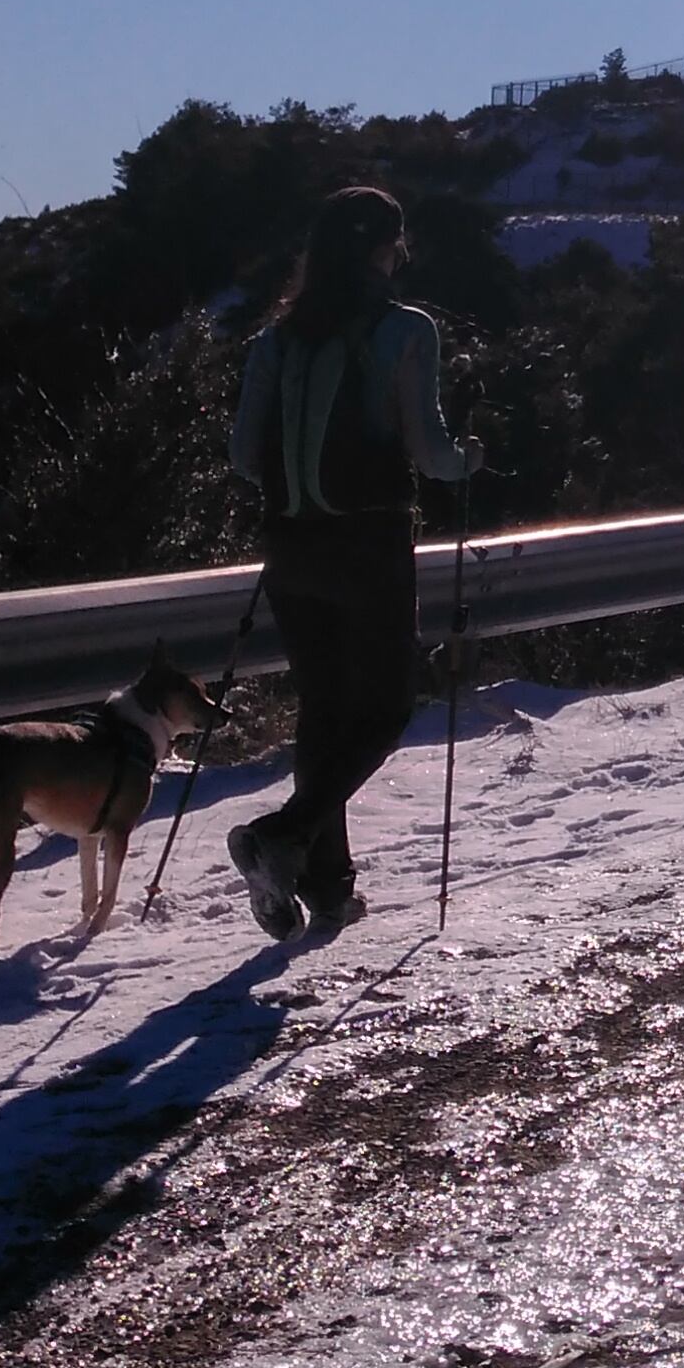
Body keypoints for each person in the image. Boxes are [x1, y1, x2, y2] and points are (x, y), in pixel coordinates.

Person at [223, 184, 478, 935]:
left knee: (325, 711)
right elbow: (432, 456)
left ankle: (328, 887)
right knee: (388, 708)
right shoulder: (406, 330)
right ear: (382, 247)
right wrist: (470, 460)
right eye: (396, 243)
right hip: (368, 542)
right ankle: (284, 837)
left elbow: (244, 457)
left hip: (292, 548)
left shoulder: (275, 339)